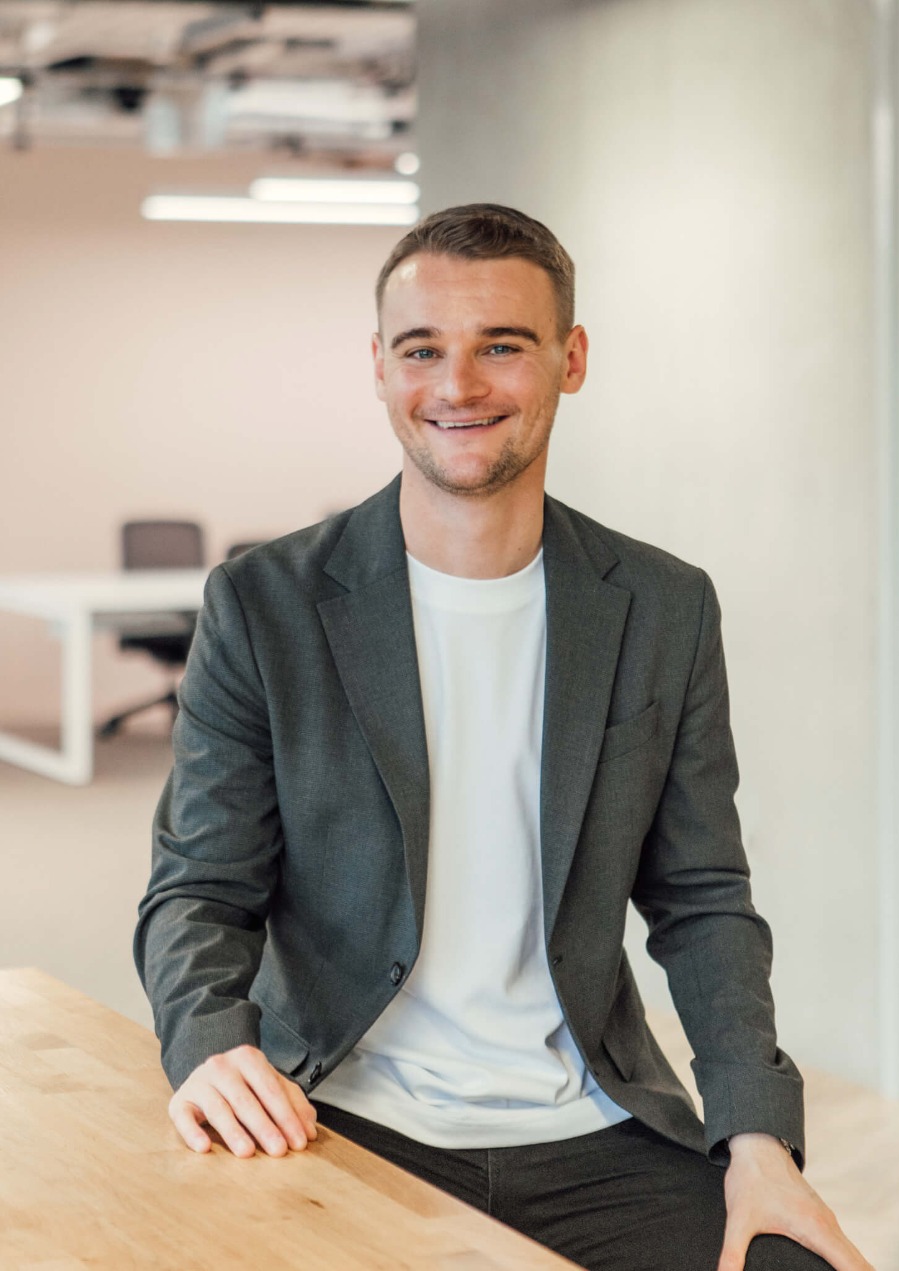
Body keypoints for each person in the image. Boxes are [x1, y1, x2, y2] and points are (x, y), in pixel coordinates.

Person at [135, 204, 871, 1271]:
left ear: (570, 360)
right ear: (378, 367)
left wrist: (757, 1136)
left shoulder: (659, 605)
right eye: (421, 348)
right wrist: (206, 1043)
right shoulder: (265, 605)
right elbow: (198, 884)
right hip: (343, 1114)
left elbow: (701, 894)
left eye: (501, 346)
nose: (457, 385)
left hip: (595, 1126)